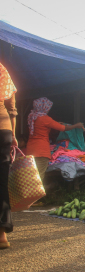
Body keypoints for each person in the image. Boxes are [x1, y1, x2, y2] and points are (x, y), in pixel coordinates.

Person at [27, 97, 85, 182]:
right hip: (41, 151)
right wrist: (76, 125)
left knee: (30, 176)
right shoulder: (45, 118)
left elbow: (43, 126)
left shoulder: (32, 116)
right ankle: (35, 195)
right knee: (38, 178)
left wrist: (56, 123)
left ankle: (28, 194)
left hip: (30, 150)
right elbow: (63, 128)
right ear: (44, 107)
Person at [0, 63, 18, 249]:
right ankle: (1, 235)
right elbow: (12, 108)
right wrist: (13, 136)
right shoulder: (2, 70)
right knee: (1, 182)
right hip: (3, 130)